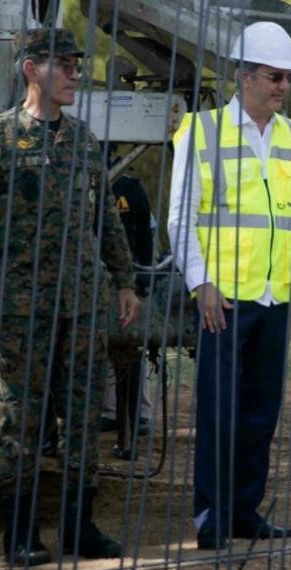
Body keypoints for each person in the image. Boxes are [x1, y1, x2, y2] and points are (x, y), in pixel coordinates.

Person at [0, 29, 140, 565]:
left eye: (78, 65)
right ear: (32, 70)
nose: (77, 74)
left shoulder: (83, 140)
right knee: (21, 420)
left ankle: (79, 527)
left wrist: (124, 280)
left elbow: (107, 221)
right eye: (66, 64)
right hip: (19, 310)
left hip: (81, 308)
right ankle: (21, 533)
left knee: (80, 418)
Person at [167, 21, 291, 551]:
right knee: (218, 411)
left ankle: (244, 510)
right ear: (244, 76)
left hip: (274, 295)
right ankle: (211, 518)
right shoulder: (201, 131)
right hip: (224, 299)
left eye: (289, 79)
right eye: (275, 77)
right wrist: (201, 282)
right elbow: (179, 218)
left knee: (261, 412)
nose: (284, 87)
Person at [102, 160, 155, 435]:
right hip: (97, 277)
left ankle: (141, 412)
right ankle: (110, 411)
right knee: (104, 347)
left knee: (133, 345)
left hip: (129, 278)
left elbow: (146, 234)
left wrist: (143, 282)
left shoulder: (130, 189)